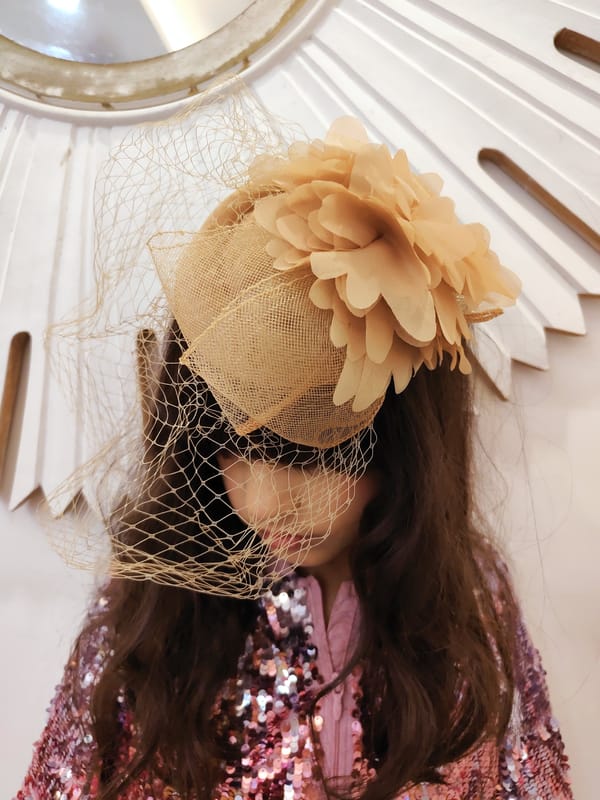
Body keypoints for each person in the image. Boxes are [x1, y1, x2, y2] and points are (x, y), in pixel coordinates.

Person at [15, 90, 572, 800]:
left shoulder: (465, 609)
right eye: (230, 449)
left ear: (403, 450)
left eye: (315, 459)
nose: (267, 499)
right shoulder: (155, 615)